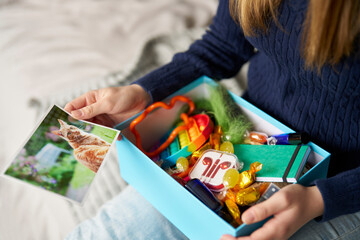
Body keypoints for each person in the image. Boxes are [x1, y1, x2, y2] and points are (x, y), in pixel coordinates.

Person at [65, 0, 360, 239]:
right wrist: (144, 91)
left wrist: (321, 199)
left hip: (340, 186)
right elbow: (223, 44)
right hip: (242, 134)